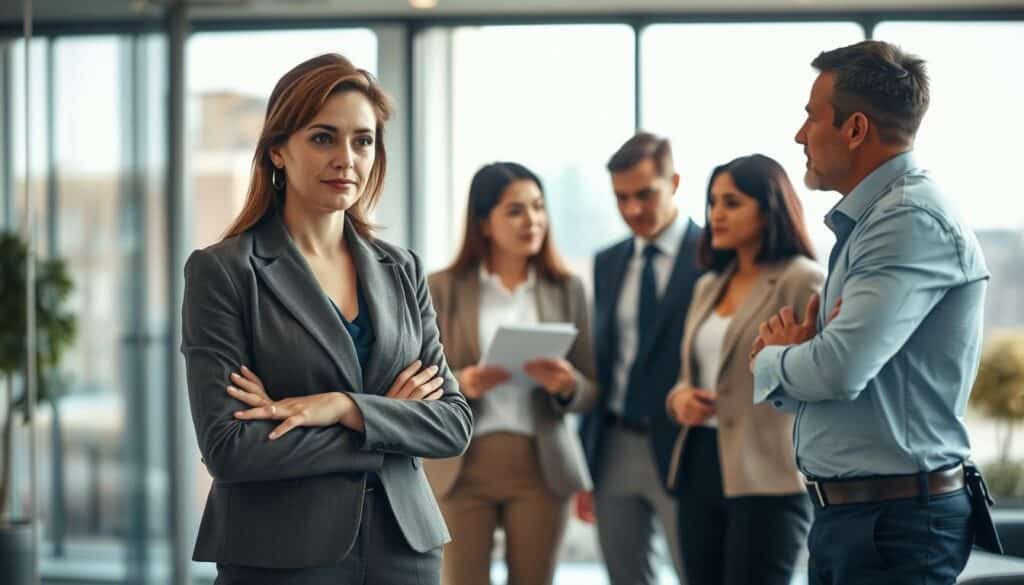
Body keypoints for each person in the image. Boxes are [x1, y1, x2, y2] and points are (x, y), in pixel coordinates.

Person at [180, 54, 473, 585]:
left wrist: (341, 408)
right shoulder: (223, 272)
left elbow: (453, 424)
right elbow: (230, 449)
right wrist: (387, 421)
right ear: (277, 150)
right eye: (323, 138)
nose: (347, 158)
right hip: (279, 554)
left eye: (362, 140)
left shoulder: (400, 268)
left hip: (404, 551)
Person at [750, 40, 990, 585]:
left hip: (892, 524)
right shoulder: (876, 220)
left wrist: (774, 360)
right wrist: (804, 359)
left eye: (811, 117)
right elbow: (836, 373)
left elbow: (838, 369)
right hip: (862, 519)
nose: (799, 134)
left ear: (855, 129)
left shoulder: (906, 221)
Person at [424, 162, 597, 585]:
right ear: (484, 222)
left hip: (541, 466)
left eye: (538, 208)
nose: (532, 221)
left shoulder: (566, 288)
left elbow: (593, 387)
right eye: (515, 211)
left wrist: (568, 385)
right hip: (461, 466)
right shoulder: (441, 287)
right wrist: (461, 383)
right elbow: (419, 376)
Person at [665, 154, 821, 585]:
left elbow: (818, 375)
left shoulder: (801, 280)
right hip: (699, 464)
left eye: (731, 202)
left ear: (769, 205)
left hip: (768, 473)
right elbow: (689, 373)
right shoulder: (707, 285)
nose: (716, 214)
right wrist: (680, 400)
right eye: (712, 202)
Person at [578, 132, 703, 585]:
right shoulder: (608, 261)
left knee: (698, 571)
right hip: (614, 444)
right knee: (626, 576)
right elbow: (607, 361)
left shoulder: (712, 255)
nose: (632, 209)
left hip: (686, 447)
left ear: (674, 181)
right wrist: (588, 464)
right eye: (621, 198)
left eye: (645, 194)